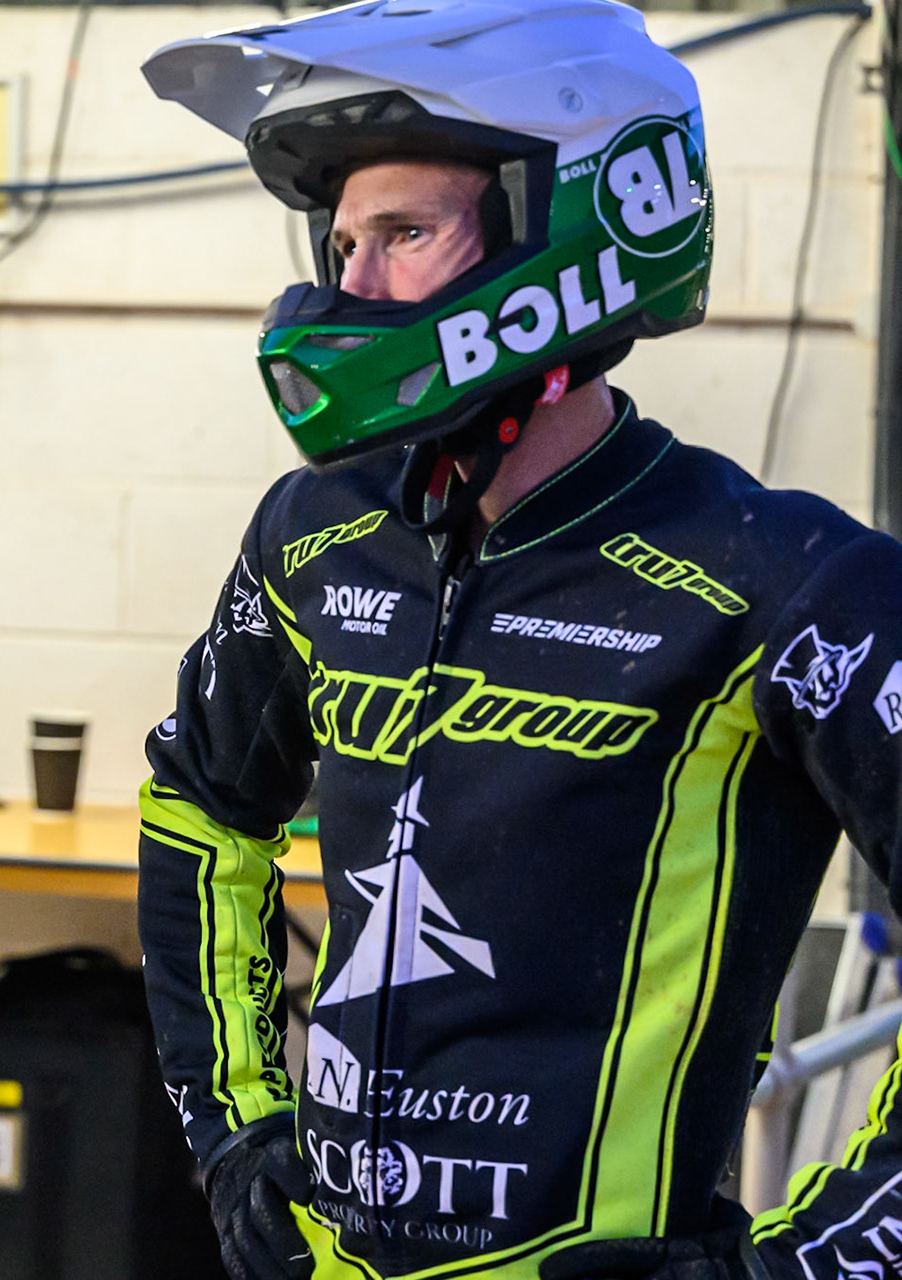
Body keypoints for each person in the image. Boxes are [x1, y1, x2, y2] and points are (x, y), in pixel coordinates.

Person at [135, 3, 902, 1279]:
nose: (354, 285)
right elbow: (200, 809)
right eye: (342, 242)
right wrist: (234, 1132)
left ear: (564, 234)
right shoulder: (314, 535)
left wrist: (805, 1262)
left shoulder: (782, 578)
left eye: (405, 234)